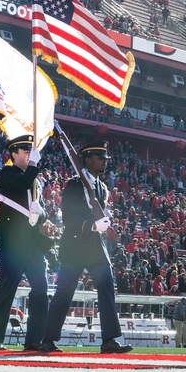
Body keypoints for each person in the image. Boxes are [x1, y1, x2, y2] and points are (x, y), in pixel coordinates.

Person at [41, 141, 132, 354]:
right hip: (74, 246)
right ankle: (48, 339)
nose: (104, 162)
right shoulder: (74, 185)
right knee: (64, 292)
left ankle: (109, 339)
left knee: (107, 289)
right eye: (100, 158)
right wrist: (91, 225)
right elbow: (69, 217)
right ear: (88, 159)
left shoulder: (102, 187)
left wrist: (103, 223)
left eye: (104, 158)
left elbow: (100, 213)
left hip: (95, 248)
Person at [0, 135, 49, 352]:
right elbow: (21, 184)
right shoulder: (7, 174)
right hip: (12, 243)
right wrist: (33, 166)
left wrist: (40, 214)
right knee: (6, 289)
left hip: (32, 244)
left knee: (40, 288)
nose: (30, 155)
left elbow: (42, 210)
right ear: (14, 154)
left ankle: (34, 339)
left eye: (31, 152)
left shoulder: (35, 181)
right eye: (25, 152)